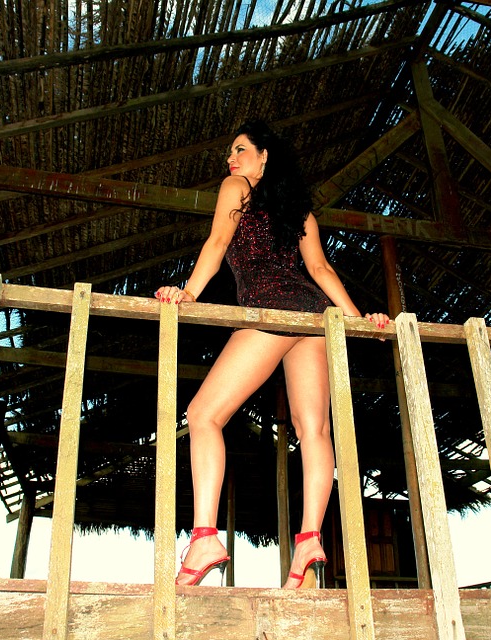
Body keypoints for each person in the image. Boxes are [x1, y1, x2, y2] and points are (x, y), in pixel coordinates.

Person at [155, 121, 390, 588]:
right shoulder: (298, 211)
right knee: (313, 429)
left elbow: (218, 243)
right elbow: (320, 270)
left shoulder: (236, 188)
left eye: (240, 149)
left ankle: (204, 538)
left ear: (264, 156)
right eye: (229, 153)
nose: (231, 159)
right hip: (313, 318)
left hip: (273, 310)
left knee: (203, 414)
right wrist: (359, 320)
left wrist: (189, 293)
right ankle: (308, 541)